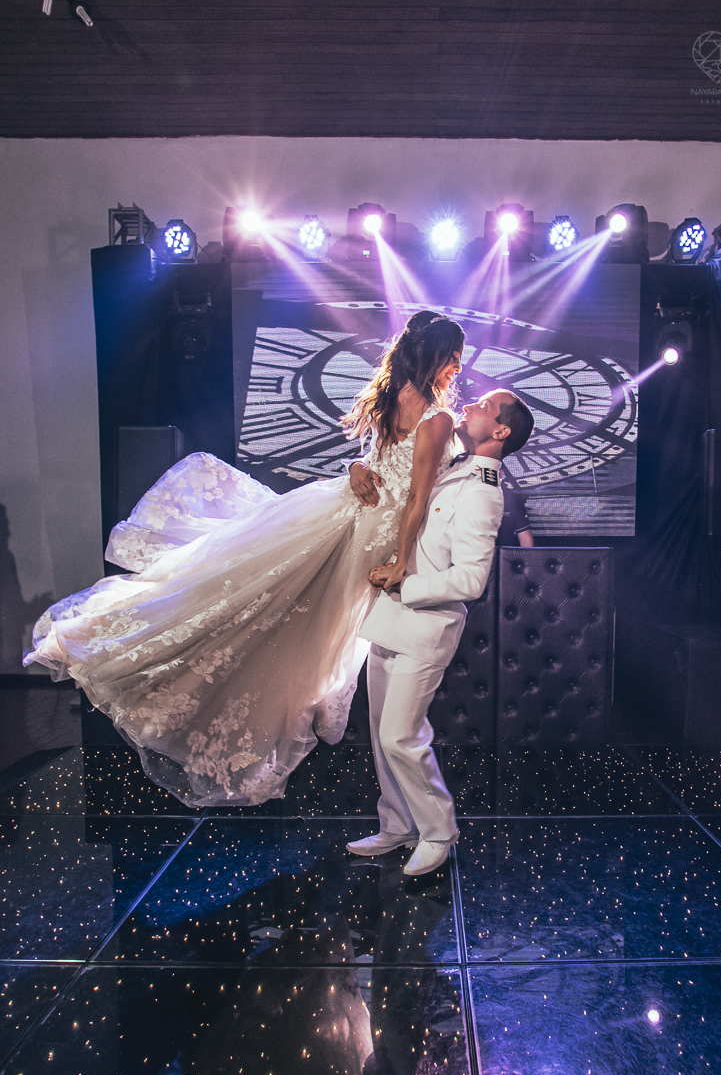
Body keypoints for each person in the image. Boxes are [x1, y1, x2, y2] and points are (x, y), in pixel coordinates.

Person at [24, 311, 466, 807]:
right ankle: (155, 675)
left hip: (355, 523)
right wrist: (398, 553)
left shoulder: (398, 397)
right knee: (268, 616)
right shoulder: (436, 417)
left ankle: (203, 703)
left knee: (274, 618)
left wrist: (359, 472)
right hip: (366, 531)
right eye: (452, 357)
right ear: (432, 356)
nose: (457, 367)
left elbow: (398, 477)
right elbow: (414, 497)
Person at [347, 389, 534, 876]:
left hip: (427, 627)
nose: (469, 406)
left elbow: (471, 581)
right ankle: (397, 825)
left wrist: (404, 584)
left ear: (501, 431)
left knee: (400, 737)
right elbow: (393, 477)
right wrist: (355, 467)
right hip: (390, 618)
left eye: (484, 407)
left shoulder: (484, 492)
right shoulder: (452, 461)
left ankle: (438, 832)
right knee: (380, 735)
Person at [496, 479, 535, 547]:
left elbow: (525, 538)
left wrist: (527, 554)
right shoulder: (476, 495)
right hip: (479, 550)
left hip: (503, 551)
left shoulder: (512, 499)